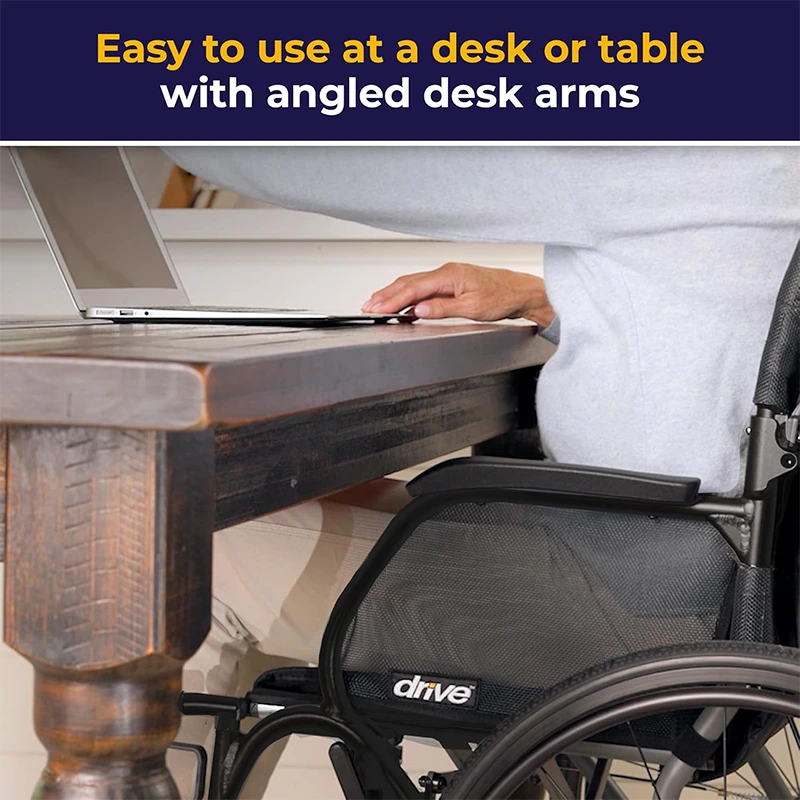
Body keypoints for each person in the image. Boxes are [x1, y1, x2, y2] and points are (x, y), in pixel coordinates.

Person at [161, 146, 800, 797]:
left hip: (628, 607)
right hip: (726, 597)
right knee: (344, 499)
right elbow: (723, 300)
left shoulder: (673, 150)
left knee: (187, 553)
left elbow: (361, 161)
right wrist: (554, 298)